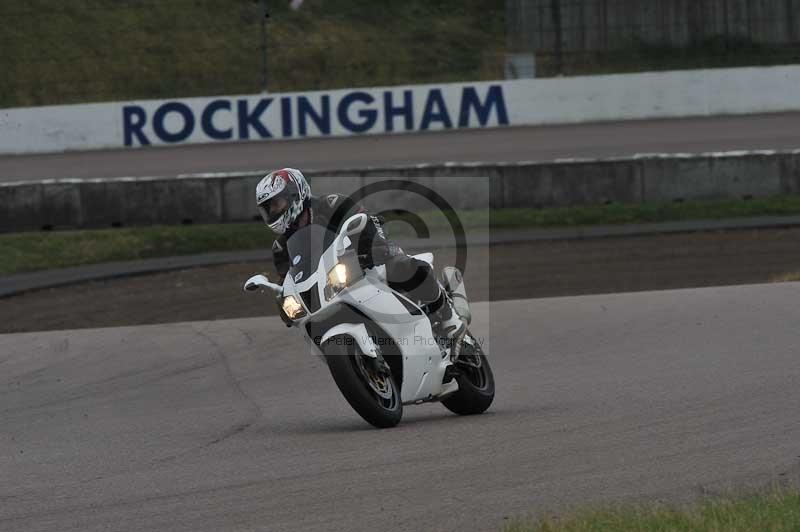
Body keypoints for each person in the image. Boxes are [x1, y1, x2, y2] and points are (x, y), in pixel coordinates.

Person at [255, 167, 465, 341]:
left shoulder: (331, 204)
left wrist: (373, 248)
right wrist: (284, 300)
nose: (273, 211)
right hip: (331, 288)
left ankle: (448, 317)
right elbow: (288, 280)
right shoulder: (281, 248)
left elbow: (366, 219)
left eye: (276, 203)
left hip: (367, 257)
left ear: (295, 192)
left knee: (403, 268)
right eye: (268, 208)